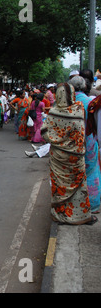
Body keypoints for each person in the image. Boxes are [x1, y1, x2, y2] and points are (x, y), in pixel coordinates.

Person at [41, 83, 97, 225]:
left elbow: (44, 133)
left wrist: (58, 142)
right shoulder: (78, 110)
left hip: (58, 158)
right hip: (76, 157)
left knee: (60, 186)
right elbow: (81, 133)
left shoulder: (53, 113)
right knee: (79, 187)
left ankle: (61, 214)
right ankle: (80, 216)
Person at [69, 76, 101, 214]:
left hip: (70, 144)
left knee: (71, 173)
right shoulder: (90, 102)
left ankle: (72, 206)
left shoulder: (66, 103)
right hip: (88, 143)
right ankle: (92, 205)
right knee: (91, 172)